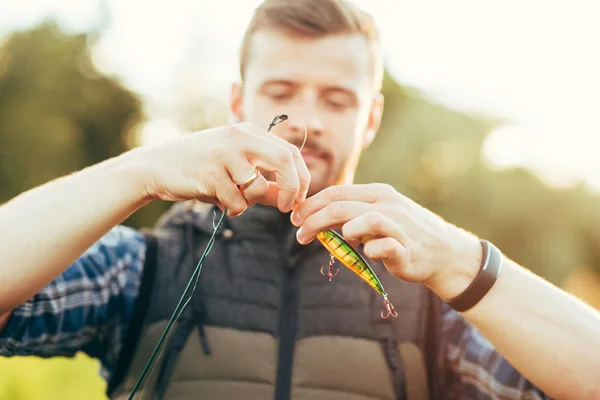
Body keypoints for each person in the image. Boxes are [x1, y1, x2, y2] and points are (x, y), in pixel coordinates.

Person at [1, 0, 599, 399]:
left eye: (338, 100)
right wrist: (142, 170)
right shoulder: (140, 269)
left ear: (371, 119)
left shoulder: (432, 306)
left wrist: (462, 263)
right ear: (238, 105)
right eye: (283, 91)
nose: (306, 122)